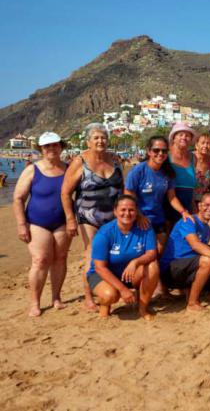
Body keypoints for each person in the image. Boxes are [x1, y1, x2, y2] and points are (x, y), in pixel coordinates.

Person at [62, 123, 123, 312]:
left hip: (113, 216)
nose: (100, 141)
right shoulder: (80, 162)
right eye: (95, 137)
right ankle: (89, 297)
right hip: (88, 215)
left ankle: (105, 288)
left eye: (103, 137)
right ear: (88, 141)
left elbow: (122, 188)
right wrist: (70, 219)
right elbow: (65, 192)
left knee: (110, 256)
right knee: (91, 254)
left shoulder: (114, 161)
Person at [13, 132, 71, 317]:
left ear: (61, 146)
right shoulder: (32, 170)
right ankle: (35, 302)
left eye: (54, 145)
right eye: (46, 146)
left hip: (62, 222)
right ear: (41, 149)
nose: (51, 149)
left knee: (60, 259)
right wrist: (22, 224)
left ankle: (56, 297)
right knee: (40, 260)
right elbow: (18, 198)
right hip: (37, 223)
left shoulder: (69, 169)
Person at [160, 192, 210, 312]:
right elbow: (196, 245)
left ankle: (196, 290)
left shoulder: (207, 228)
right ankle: (192, 303)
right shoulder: (189, 221)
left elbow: (200, 246)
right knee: (207, 260)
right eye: (207, 205)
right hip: (172, 270)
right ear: (199, 206)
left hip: (189, 269)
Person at [86, 195, 158, 319]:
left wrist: (135, 262)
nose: (127, 213)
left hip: (130, 273)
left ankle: (142, 308)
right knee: (110, 295)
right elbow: (100, 268)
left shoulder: (145, 227)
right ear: (115, 212)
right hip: (103, 275)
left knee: (152, 267)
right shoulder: (105, 233)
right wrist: (123, 290)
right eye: (123, 210)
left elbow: (152, 253)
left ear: (136, 212)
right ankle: (104, 306)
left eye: (131, 210)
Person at [124, 136, 192, 252]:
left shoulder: (168, 172)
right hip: (138, 220)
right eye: (156, 150)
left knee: (159, 251)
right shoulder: (137, 171)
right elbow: (128, 198)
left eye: (164, 151)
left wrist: (183, 211)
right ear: (149, 151)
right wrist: (139, 216)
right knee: (144, 254)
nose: (160, 153)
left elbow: (172, 197)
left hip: (158, 219)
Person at [167, 122, 198, 220]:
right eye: (180, 134)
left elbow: (192, 189)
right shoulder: (165, 156)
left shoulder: (193, 158)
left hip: (188, 207)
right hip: (167, 206)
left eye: (187, 135)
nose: (184, 138)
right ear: (174, 138)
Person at [193, 133, 210, 207]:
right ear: (196, 145)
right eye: (202, 143)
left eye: (208, 143)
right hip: (188, 200)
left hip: (203, 202)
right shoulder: (190, 158)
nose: (205, 146)